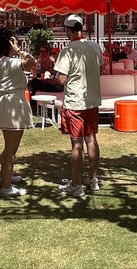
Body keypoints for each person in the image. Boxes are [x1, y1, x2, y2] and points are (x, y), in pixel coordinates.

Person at [53, 14, 103, 198]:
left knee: (76, 144)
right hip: (92, 100)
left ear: (67, 30)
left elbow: (62, 79)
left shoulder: (67, 51)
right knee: (91, 139)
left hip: (75, 102)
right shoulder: (95, 46)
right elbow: (101, 71)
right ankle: (93, 178)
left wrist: (56, 75)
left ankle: (76, 184)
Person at [0, 27, 36, 197]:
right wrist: (19, 51)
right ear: (10, 44)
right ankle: (6, 186)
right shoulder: (10, 62)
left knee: (9, 148)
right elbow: (31, 62)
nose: (18, 43)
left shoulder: (2, 62)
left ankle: (6, 177)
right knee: (11, 149)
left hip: (8, 103)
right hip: (12, 105)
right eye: (15, 41)